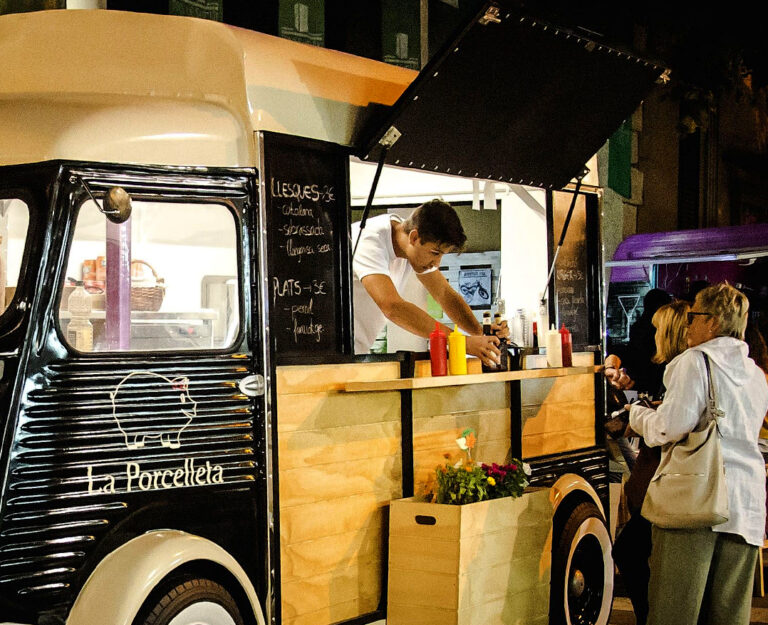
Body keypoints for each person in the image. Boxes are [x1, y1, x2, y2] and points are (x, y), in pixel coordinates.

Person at [629, 282, 768, 625]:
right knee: (728, 615)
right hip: (744, 505)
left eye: (694, 316)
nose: (688, 324)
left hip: (695, 501)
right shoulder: (755, 374)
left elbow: (669, 427)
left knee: (675, 612)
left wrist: (636, 416)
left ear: (714, 322)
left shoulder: (694, 362)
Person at [610, 299, 690, 625]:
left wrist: (637, 414)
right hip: (668, 481)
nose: (652, 334)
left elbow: (666, 426)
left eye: (657, 329)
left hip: (673, 483)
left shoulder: (682, 369)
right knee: (634, 551)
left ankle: (650, 617)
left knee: (629, 550)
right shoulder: (673, 367)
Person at [351, 199, 502, 366]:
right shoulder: (370, 240)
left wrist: (482, 334)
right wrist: (459, 342)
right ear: (414, 237)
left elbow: (444, 294)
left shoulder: (414, 247)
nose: (437, 263)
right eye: (435, 253)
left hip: (355, 353)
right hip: (327, 354)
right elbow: (392, 306)